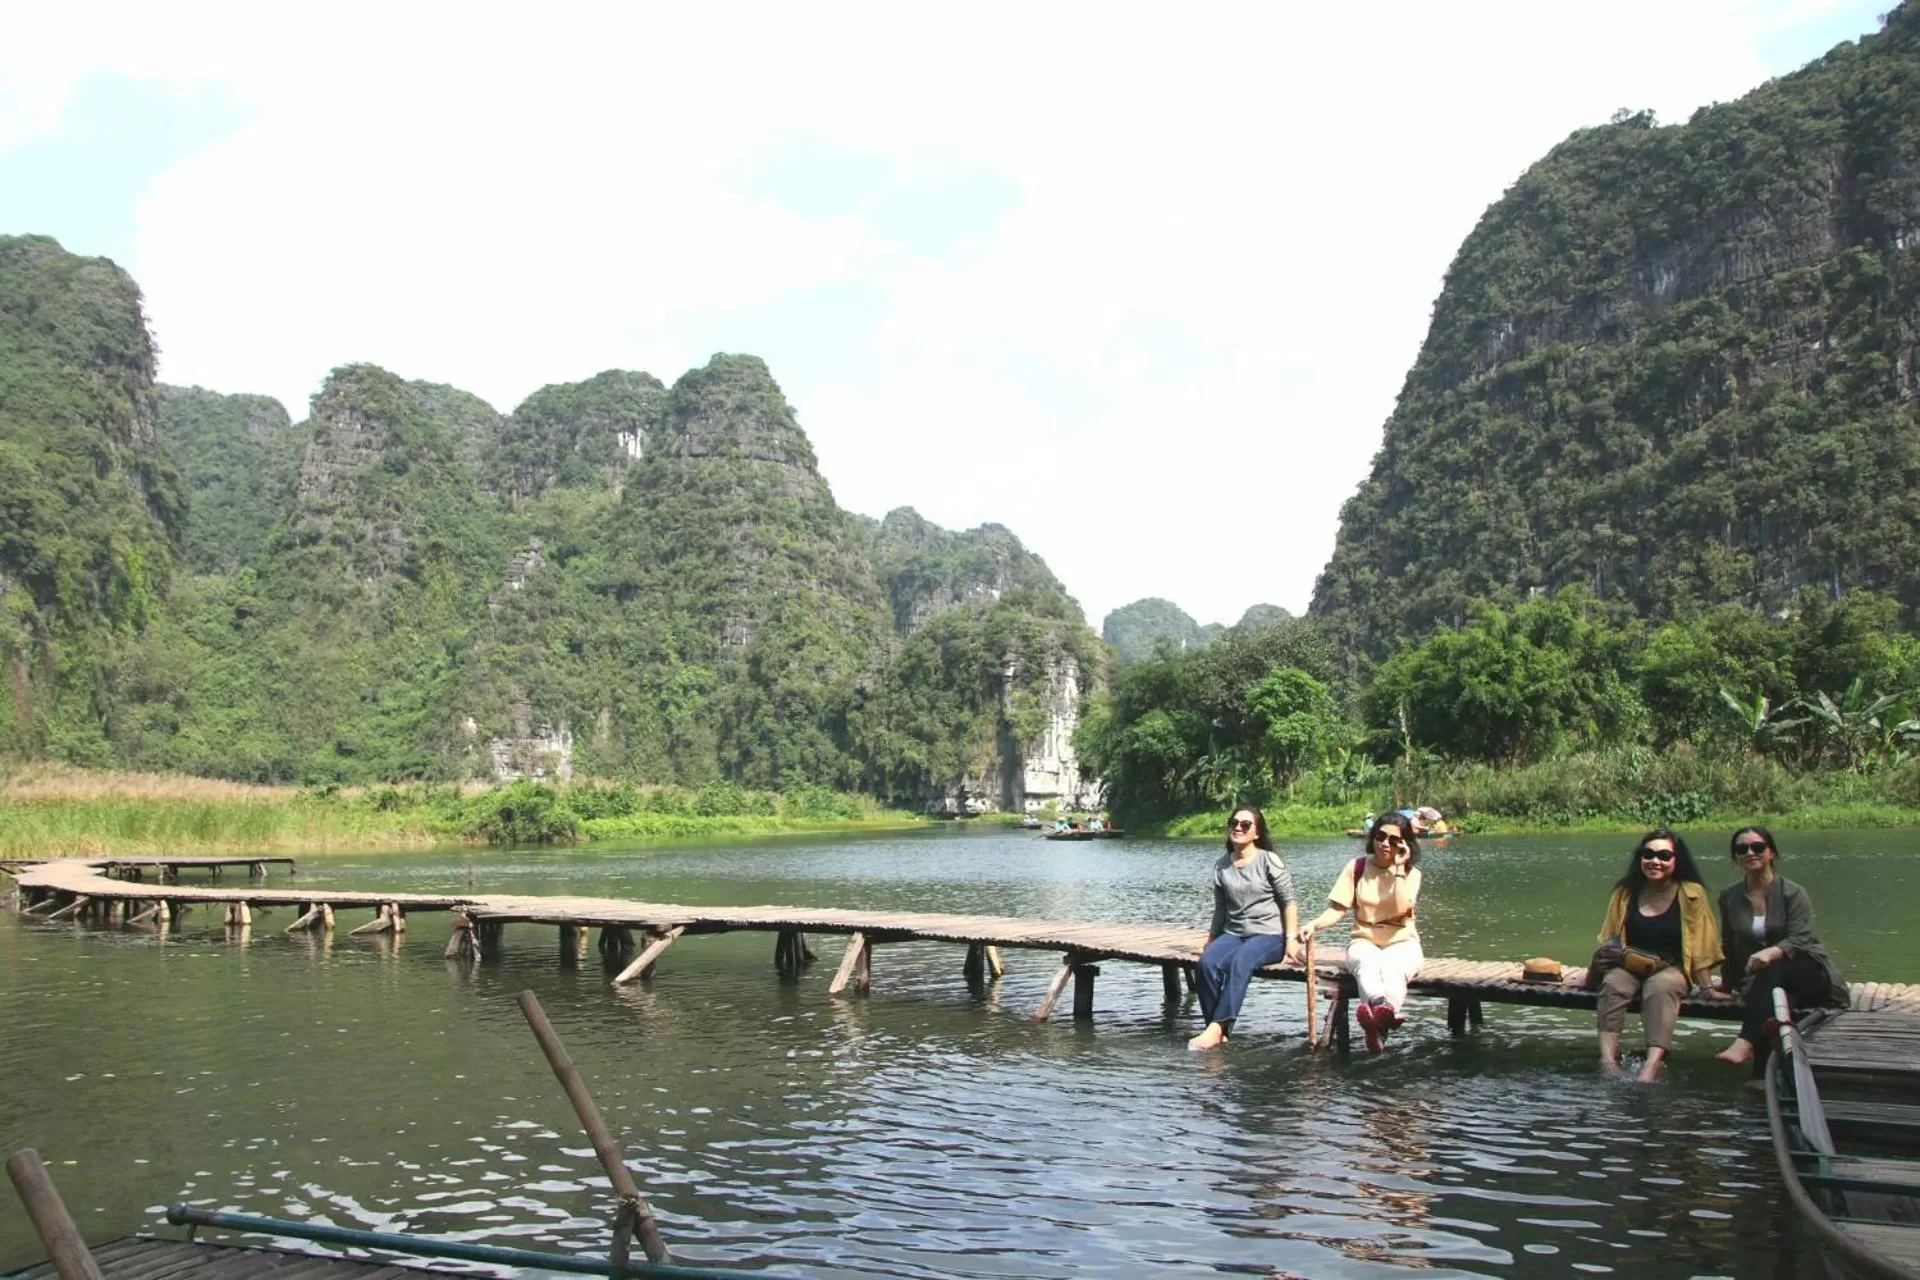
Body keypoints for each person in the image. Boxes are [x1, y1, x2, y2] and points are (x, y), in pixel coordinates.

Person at [1707, 827, 1848, 1073]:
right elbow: (1729, 944)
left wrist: (1771, 952)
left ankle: (1744, 1044)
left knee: (1773, 970)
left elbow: (1802, 939)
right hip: (1764, 981)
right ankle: (1762, 1075)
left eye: (1758, 847)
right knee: (1768, 994)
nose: (1750, 853)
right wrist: (1728, 984)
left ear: (1771, 852)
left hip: (1809, 973)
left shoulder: (1793, 893)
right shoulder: (1729, 896)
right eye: (1742, 849)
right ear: (1735, 858)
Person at [1595, 829, 1723, 1082]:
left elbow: (1701, 943)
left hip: (1672, 967)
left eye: (1664, 855)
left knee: (1660, 988)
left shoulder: (1691, 893)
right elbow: (1610, 939)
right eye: (1649, 854)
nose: (1655, 861)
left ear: (1676, 860)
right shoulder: (1625, 892)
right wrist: (1592, 974)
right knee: (1612, 985)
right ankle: (1608, 1060)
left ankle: (1651, 1065)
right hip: (1630, 962)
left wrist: (1707, 986)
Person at [1298, 813, 1424, 1052]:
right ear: (1373, 838)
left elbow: (1400, 908)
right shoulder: (1356, 867)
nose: (1385, 844)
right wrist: (1313, 924)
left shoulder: (1411, 874)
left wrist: (1397, 867)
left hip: (1403, 940)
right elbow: (1338, 908)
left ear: (1405, 844)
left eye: (1394, 840)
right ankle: (1379, 1010)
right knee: (1366, 965)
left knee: (1392, 969)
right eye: (1380, 836)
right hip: (1364, 939)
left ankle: (1378, 1026)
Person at [1188, 807, 1301, 1050]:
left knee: (1241, 961)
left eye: (1246, 824)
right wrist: (1210, 942)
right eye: (1234, 822)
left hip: (1270, 935)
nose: (1238, 828)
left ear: (1257, 833)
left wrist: (1291, 939)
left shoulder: (1268, 860)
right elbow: (1220, 910)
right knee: (1207, 964)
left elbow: (1289, 902)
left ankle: (1216, 1028)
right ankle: (1218, 1030)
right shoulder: (1221, 866)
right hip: (1234, 933)